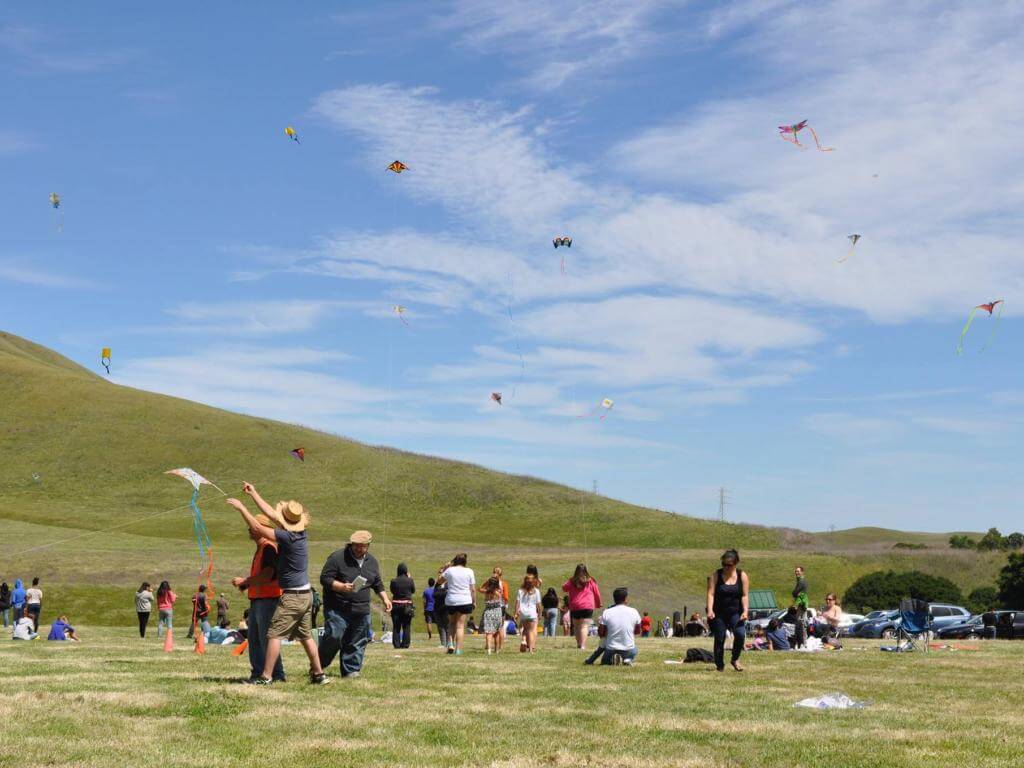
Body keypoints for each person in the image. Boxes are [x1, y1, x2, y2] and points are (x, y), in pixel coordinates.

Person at [226, 483, 329, 685]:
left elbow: (258, 527)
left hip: (293, 596)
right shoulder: (300, 534)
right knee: (305, 635)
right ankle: (318, 674)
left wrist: (241, 508)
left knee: (273, 634)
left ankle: (266, 676)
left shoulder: (287, 537)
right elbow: (272, 515)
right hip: (305, 594)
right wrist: (253, 492)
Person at [318, 530, 391, 679]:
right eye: (356, 545)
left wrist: (385, 599)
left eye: (362, 546)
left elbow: (377, 583)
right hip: (338, 607)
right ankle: (318, 665)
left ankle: (351, 670)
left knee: (357, 640)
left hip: (361, 608)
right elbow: (325, 578)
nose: (358, 548)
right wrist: (341, 586)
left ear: (368, 546)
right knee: (334, 636)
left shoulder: (372, 561)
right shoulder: (337, 558)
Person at [230, 512, 285, 684]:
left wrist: (245, 581)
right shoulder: (263, 548)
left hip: (268, 600)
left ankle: (274, 675)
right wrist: (247, 585)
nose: (249, 530)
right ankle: (260, 673)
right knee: (255, 639)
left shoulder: (268, 548)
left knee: (265, 639)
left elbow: (268, 575)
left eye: (253, 527)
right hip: (259, 600)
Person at [706, 549, 749, 672]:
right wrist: (710, 610)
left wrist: (745, 611)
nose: (725, 567)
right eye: (723, 564)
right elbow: (711, 594)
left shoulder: (742, 576)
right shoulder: (716, 575)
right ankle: (719, 665)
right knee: (720, 638)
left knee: (740, 634)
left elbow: (745, 595)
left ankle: (735, 659)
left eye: (729, 565)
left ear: (736, 564)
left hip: (736, 612)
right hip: (719, 613)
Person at [585, 587, 641, 666]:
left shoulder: (607, 612)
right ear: (626, 598)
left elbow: (601, 633)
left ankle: (611, 660)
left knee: (605, 661)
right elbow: (637, 631)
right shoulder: (634, 611)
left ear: (614, 598)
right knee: (634, 650)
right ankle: (627, 659)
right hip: (628, 648)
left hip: (611, 649)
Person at [439, 554, 475, 655]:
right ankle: (458, 649)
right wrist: (474, 601)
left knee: (451, 623)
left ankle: (450, 643)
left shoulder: (450, 570)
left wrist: (446, 569)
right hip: (464, 600)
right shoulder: (469, 571)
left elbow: (439, 581)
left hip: (451, 600)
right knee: (460, 626)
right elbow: (472, 589)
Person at [562, 564, 602, 651]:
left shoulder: (572, 581)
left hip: (575, 606)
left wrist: (570, 580)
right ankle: (583, 645)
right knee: (584, 626)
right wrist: (598, 603)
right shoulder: (591, 581)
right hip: (587, 606)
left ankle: (579, 644)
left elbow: (564, 588)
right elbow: (597, 593)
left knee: (576, 626)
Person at [389, 563, 416, 649]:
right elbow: (413, 590)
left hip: (396, 605)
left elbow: (392, 591)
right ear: (406, 570)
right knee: (406, 625)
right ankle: (405, 644)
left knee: (396, 626)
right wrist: (409, 578)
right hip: (407, 605)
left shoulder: (393, 581)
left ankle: (396, 644)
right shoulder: (410, 580)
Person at [515, 574, 542, 652]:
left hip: (523, 613)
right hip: (532, 613)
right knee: (530, 631)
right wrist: (539, 613)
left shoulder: (520, 591)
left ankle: (523, 640)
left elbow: (517, 602)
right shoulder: (536, 591)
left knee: (525, 629)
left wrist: (516, 612)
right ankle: (530, 648)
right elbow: (539, 604)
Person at [480, 576, 504, 654]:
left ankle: (489, 650)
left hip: (488, 612)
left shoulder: (486, 591)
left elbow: (479, 588)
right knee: (497, 632)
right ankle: (496, 650)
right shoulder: (499, 592)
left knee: (488, 632)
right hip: (497, 612)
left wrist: (486, 582)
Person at [493, 566, 510, 650]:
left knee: (492, 626)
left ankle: (490, 645)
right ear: (501, 574)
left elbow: (481, 588)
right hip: (501, 606)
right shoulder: (503, 584)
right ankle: (500, 646)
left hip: (492, 605)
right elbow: (506, 597)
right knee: (501, 627)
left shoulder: (490, 582)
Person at [792, 565, 809, 649]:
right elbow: (795, 593)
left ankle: (803, 643)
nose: (796, 573)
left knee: (801, 625)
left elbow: (795, 593)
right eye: (795, 571)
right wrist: (795, 593)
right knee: (800, 625)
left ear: (802, 572)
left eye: (798, 571)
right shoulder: (800, 581)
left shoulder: (802, 582)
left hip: (801, 606)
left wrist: (795, 593)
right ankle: (801, 643)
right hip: (800, 605)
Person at [433, 575, 450, 648]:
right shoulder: (437, 585)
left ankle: (449, 643)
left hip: (446, 608)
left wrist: (440, 593)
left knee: (447, 626)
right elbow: (434, 594)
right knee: (440, 626)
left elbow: (447, 594)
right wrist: (443, 592)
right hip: (437, 608)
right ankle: (443, 643)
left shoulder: (448, 584)